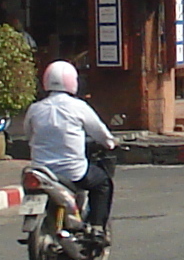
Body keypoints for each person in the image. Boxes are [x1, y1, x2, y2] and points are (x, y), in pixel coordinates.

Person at [25, 60, 117, 232]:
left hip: (41, 171)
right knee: (103, 183)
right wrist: (110, 143)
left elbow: (29, 135)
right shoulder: (79, 107)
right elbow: (100, 133)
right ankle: (97, 227)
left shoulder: (35, 109)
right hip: (72, 172)